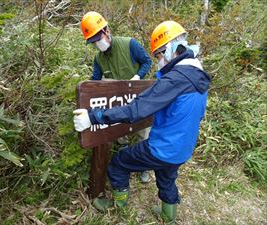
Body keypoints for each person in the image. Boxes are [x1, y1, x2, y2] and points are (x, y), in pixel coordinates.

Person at [74, 20, 211, 224]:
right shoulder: (198, 75)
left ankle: (118, 206)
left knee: (118, 163)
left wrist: (93, 117)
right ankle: (168, 215)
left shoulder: (174, 79)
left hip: (162, 148)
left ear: (171, 49)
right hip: (182, 148)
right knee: (166, 176)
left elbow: (136, 110)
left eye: (158, 55)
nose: (158, 60)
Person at [80, 11, 152, 182]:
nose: (98, 44)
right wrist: (85, 96)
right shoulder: (99, 58)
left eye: (98, 39)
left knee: (143, 132)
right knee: (120, 133)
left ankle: (145, 168)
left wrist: (138, 76)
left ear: (106, 31)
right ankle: (125, 161)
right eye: (94, 42)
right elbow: (95, 81)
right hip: (117, 102)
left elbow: (147, 61)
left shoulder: (129, 44)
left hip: (138, 98)